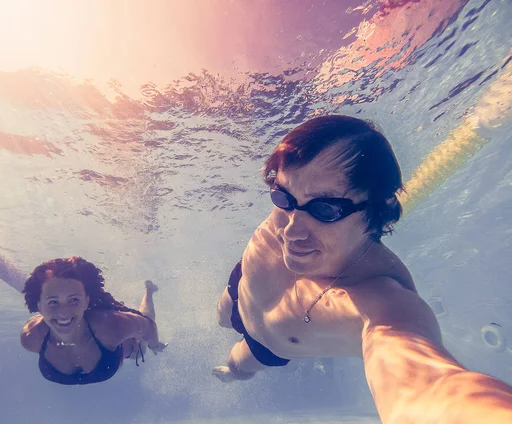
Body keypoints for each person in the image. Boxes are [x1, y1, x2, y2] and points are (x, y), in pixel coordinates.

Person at [213, 115, 512, 423]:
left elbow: (428, 384)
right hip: (240, 284)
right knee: (221, 316)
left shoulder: (380, 297)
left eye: (325, 209)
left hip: (265, 346)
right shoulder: (297, 201)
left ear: (377, 214)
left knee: (237, 366)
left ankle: (231, 372)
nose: (291, 232)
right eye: (281, 196)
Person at [20, 256, 166, 385]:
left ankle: (149, 290)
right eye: (53, 302)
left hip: (122, 344)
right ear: (39, 306)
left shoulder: (111, 327)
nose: (63, 312)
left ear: (86, 302)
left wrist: (154, 344)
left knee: (141, 349)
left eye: (74, 300)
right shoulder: (31, 337)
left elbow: (148, 327)